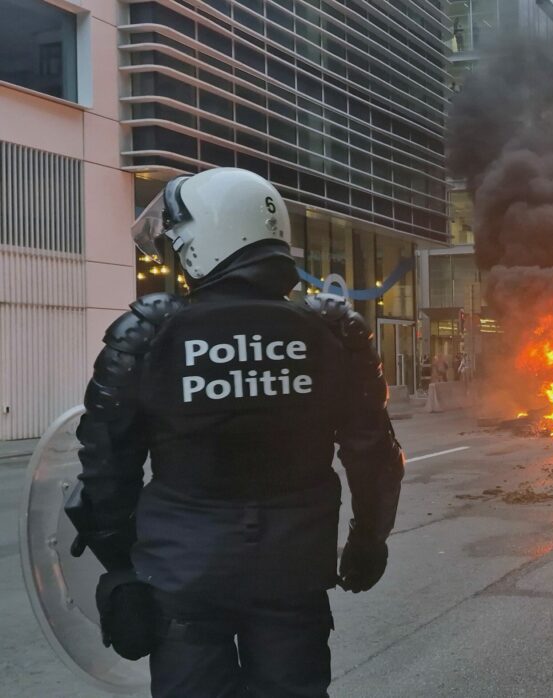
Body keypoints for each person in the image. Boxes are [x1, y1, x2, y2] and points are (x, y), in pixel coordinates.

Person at [63, 168, 405, 697]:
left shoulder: (149, 334)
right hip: (294, 573)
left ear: (207, 239)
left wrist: (121, 567)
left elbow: (106, 468)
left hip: (182, 578)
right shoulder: (334, 332)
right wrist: (368, 541)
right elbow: (376, 456)